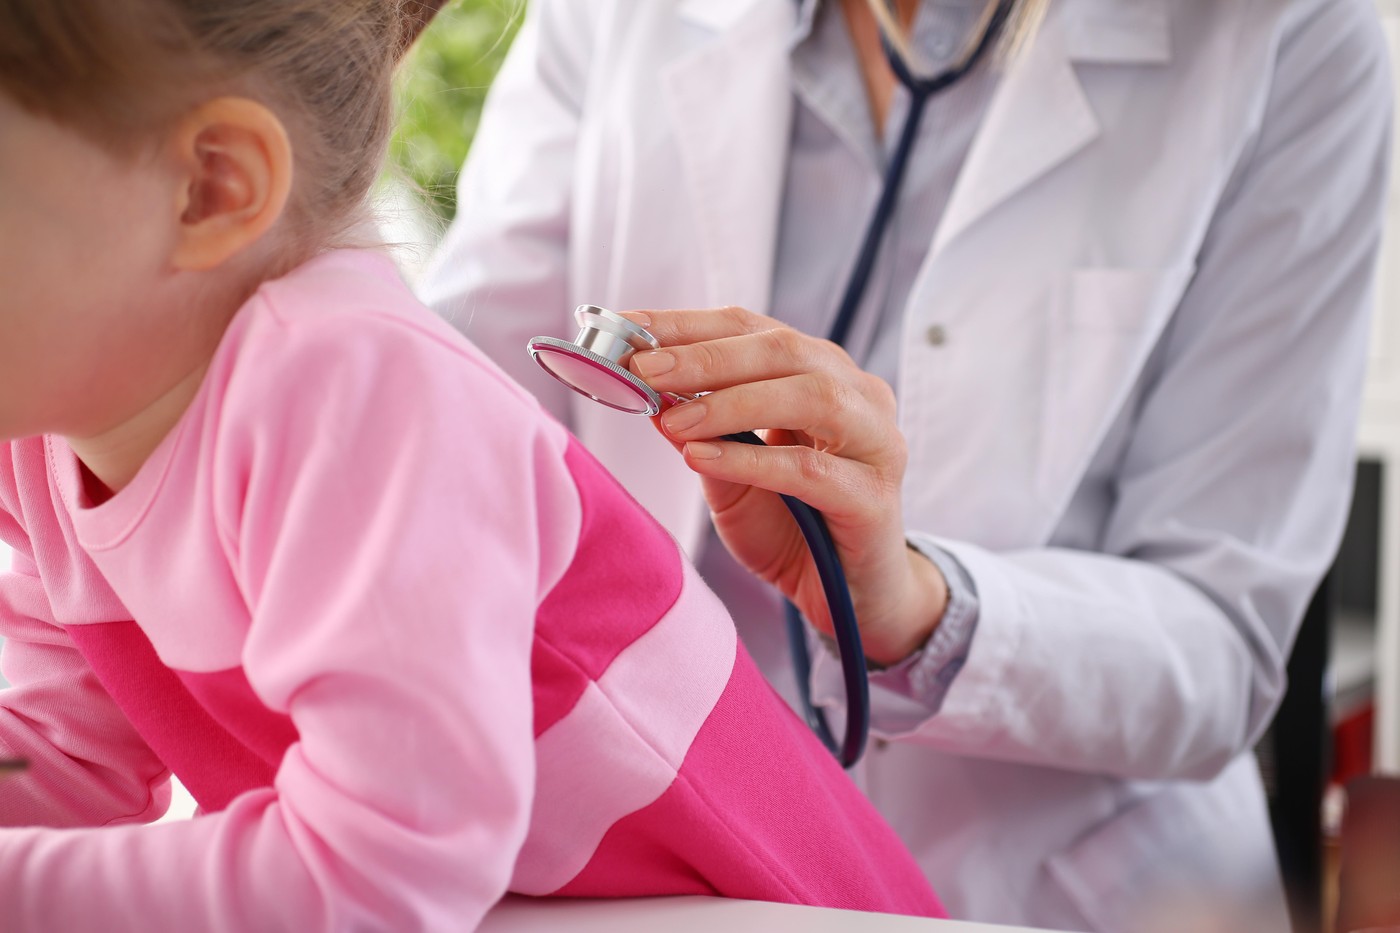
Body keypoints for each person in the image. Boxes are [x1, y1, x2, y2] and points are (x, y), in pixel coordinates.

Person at [421, 0, 1393, 929]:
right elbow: (462, 404)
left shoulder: (1294, 36)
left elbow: (1220, 643)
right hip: (664, 846)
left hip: (1042, 885)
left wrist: (916, 607)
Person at [0, 1, 946, 930]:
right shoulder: (61, 427)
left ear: (212, 187)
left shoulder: (355, 394)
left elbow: (378, 875)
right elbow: (63, 755)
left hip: (768, 904)